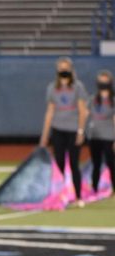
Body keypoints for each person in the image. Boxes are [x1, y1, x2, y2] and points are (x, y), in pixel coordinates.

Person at [40, 57, 89, 207]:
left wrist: (80, 131)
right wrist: (44, 136)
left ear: (71, 69)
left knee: (74, 164)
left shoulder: (78, 87)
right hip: (57, 130)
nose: (63, 70)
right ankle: (61, 196)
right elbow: (49, 112)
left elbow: (83, 111)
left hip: (73, 130)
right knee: (59, 163)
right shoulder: (52, 88)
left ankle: (79, 196)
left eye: (65, 67)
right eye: (60, 68)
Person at [86, 70, 115, 194]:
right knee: (95, 163)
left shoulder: (113, 100)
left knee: (111, 163)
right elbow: (85, 114)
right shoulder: (92, 99)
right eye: (101, 81)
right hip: (95, 136)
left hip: (109, 136)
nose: (103, 84)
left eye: (106, 81)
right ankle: (95, 188)